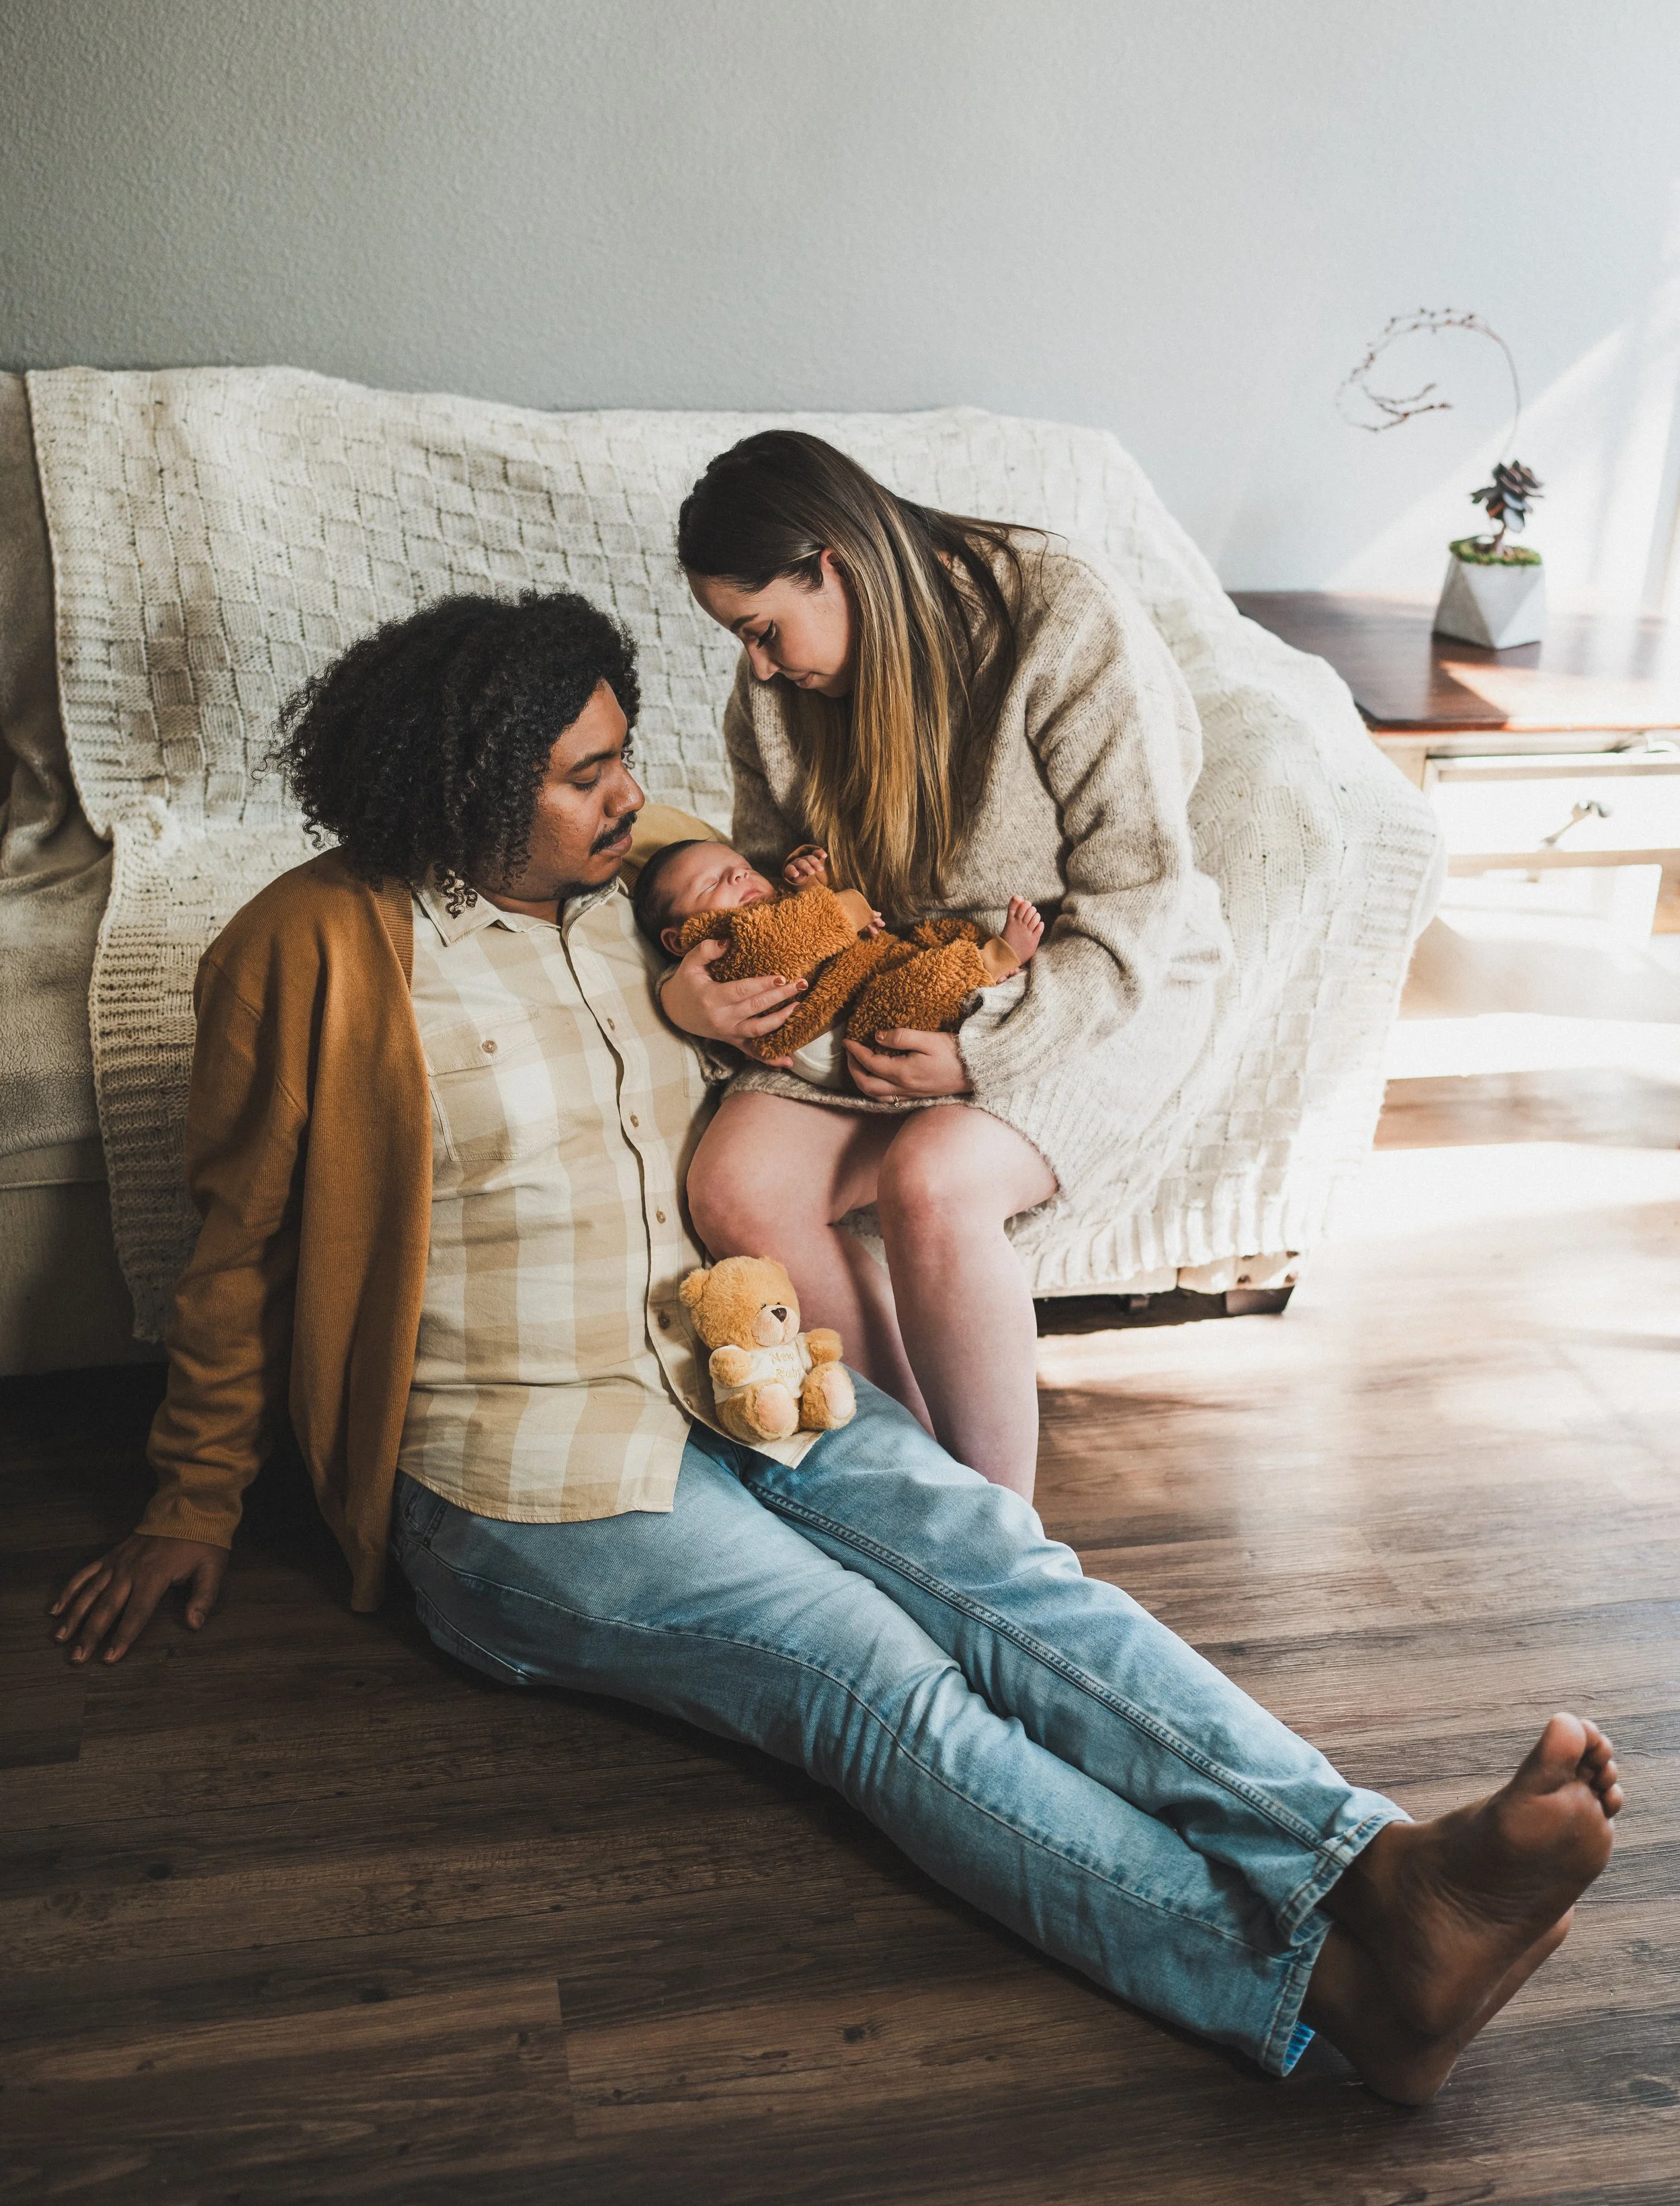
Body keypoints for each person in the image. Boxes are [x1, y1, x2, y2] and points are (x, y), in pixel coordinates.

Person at [50, 588, 1622, 2108]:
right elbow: (241, 1248)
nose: (634, 794)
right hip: (523, 1480)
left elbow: (838, 918)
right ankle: (1336, 1995)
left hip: (748, 1375)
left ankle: (1378, 1864)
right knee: (881, 1678)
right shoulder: (303, 953)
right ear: (464, 785)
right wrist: (189, 1502)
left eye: (627, 755)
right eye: (588, 771)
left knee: (1004, 1570)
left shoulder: (647, 894)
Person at [663, 430, 1231, 1500]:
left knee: (935, 1177)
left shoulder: (1058, 613)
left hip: (1088, 975)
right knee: (734, 1184)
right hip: (893, 981)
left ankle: (1004, 1540)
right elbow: (784, 891)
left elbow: (1138, 892)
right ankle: (923, 1501)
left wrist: (986, 1050)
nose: (760, 666)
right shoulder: (779, 697)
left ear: (829, 563)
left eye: (762, 629)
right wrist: (704, 990)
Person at [632, 831, 1042, 1090]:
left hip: (856, 987)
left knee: (930, 942)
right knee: (906, 990)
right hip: (852, 1043)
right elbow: (806, 930)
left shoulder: (771, 909)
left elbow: (812, 922)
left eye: (742, 868)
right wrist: (844, 908)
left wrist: (809, 878)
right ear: (677, 940)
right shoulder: (725, 949)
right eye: (711, 884)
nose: (739, 877)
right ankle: (994, 961)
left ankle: (980, 976)